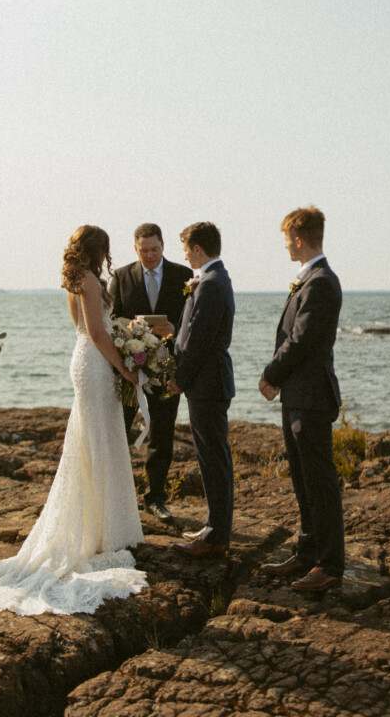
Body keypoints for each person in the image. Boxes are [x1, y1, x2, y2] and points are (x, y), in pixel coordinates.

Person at [0, 225, 147, 616]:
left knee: (92, 441)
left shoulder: (74, 280)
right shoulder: (90, 280)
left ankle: (98, 528)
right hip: (96, 365)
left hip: (84, 360)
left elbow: (86, 331)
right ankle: (100, 532)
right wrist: (127, 368)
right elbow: (99, 334)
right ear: (99, 250)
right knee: (98, 441)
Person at [258, 206, 345, 593]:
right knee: (302, 480)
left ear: (297, 239)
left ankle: (329, 565)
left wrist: (270, 374)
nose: (284, 247)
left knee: (320, 483)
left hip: (311, 397)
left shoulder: (321, 281)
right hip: (297, 396)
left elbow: (302, 340)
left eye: (285, 240)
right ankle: (307, 553)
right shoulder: (309, 279)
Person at [109, 222, 192, 523]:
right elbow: (112, 318)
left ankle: (155, 498)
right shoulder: (120, 277)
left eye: (154, 249)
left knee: (162, 434)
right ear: (135, 249)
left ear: (163, 246)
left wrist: (174, 329)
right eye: (144, 250)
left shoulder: (183, 276)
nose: (150, 255)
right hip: (130, 369)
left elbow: (192, 320)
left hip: (167, 368)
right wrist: (132, 328)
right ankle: (117, 496)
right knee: (119, 430)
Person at [168, 222, 235, 558]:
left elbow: (199, 341)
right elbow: (188, 333)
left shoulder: (210, 283)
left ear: (197, 249)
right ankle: (214, 527)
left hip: (208, 383)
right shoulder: (214, 279)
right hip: (207, 383)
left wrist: (179, 377)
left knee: (214, 459)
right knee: (211, 458)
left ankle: (216, 536)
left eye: (185, 249)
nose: (183, 255)